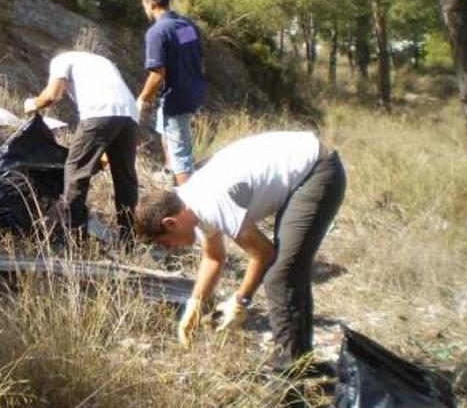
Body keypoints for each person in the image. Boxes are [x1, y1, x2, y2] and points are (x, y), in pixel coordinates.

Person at [135, 131, 346, 372]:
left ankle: (288, 383)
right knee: (289, 270)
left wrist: (240, 300)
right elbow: (213, 258)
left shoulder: (207, 202)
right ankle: (301, 363)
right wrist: (194, 305)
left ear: (170, 223)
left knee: (280, 275)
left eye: (165, 243)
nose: (171, 249)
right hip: (307, 168)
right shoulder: (190, 203)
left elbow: (263, 253)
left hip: (317, 170)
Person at [24, 49, 139, 244]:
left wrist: (33, 104)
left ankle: (67, 237)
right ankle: (128, 241)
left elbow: (52, 95)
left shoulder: (61, 60)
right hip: (130, 116)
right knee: (125, 179)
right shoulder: (102, 60)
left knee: (76, 171)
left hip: (99, 113)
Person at [136, 0, 206, 186]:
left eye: (145, 7)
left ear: (151, 5)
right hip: (192, 90)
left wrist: (142, 99)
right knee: (165, 129)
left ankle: (188, 201)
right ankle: (169, 172)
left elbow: (158, 74)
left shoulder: (157, 32)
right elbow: (187, 51)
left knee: (180, 152)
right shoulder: (186, 26)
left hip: (177, 97)